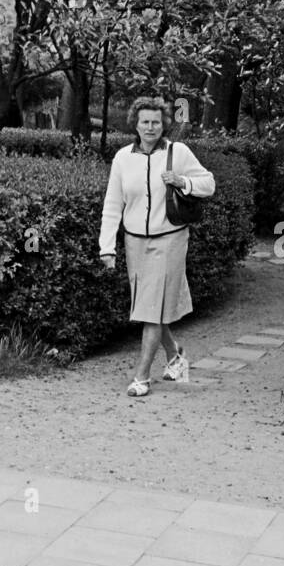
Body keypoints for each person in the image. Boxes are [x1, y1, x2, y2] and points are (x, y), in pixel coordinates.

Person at [99, 96, 215, 397]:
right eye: (144, 122)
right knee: (151, 306)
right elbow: (113, 204)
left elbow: (209, 183)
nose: (150, 127)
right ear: (135, 125)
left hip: (170, 239)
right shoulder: (123, 158)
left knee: (151, 311)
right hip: (135, 241)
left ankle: (141, 377)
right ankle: (176, 355)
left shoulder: (178, 152)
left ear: (164, 123)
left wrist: (181, 181)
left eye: (156, 122)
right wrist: (106, 247)